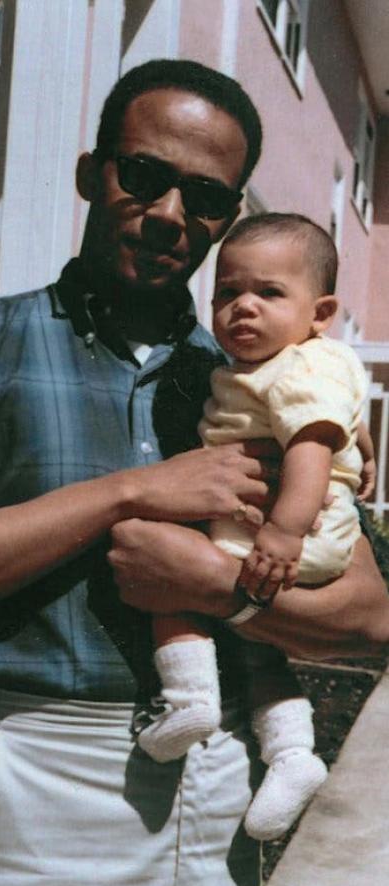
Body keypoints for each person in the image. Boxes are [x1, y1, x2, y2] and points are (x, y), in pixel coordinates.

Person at [0, 60, 389, 886]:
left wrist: (222, 589)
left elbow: (372, 619)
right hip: (31, 777)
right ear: (94, 174)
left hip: (219, 783)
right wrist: (127, 495)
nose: (168, 214)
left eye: (202, 197)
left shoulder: (263, 388)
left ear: (227, 217)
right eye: (145, 176)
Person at [137, 212, 376, 842]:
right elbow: (344, 422)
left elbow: (310, 451)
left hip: (288, 521)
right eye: (227, 293)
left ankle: (188, 699)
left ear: (319, 312)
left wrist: (283, 535)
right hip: (306, 523)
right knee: (258, 647)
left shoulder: (291, 369)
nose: (242, 308)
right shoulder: (326, 362)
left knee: (164, 569)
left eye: (268, 294)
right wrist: (368, 449)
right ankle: (294, 754)